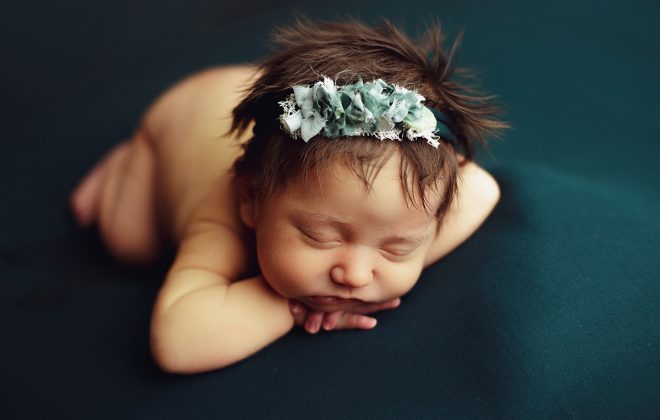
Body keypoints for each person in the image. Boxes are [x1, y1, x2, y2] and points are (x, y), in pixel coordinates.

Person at [69, 17, 508, 374]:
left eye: (398, 246)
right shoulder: (220, 219)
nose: (354, 276)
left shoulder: (418, 193)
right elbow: (177, 344)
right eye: (322, 236)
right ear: (251, 198)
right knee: (129, 243)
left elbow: (482, 189)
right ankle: (127, 159)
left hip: (268, 100)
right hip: (180, 117)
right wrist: (293, 307)